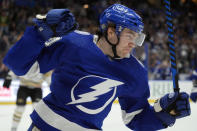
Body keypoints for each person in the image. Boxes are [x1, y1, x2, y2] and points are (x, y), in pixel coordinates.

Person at [3, 4, 190, 131]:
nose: (134, 43)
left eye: (137, 37)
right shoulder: (73, 43)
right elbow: (18, 65)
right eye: (130, 35)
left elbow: (136, 118)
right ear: (111, 32)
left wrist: (164, 114)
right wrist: (39, 32)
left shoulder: (135, 72)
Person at [3, 63, 52, 131]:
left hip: (37, 89)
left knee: (37, 111)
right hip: (23, 88)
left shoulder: (44, 60)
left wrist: (52, 86)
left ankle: (35, 129)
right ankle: (14, 128)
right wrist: (10, 76)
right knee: (19, 109)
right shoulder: (28, 57)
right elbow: (18, 66)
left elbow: (47, 75)